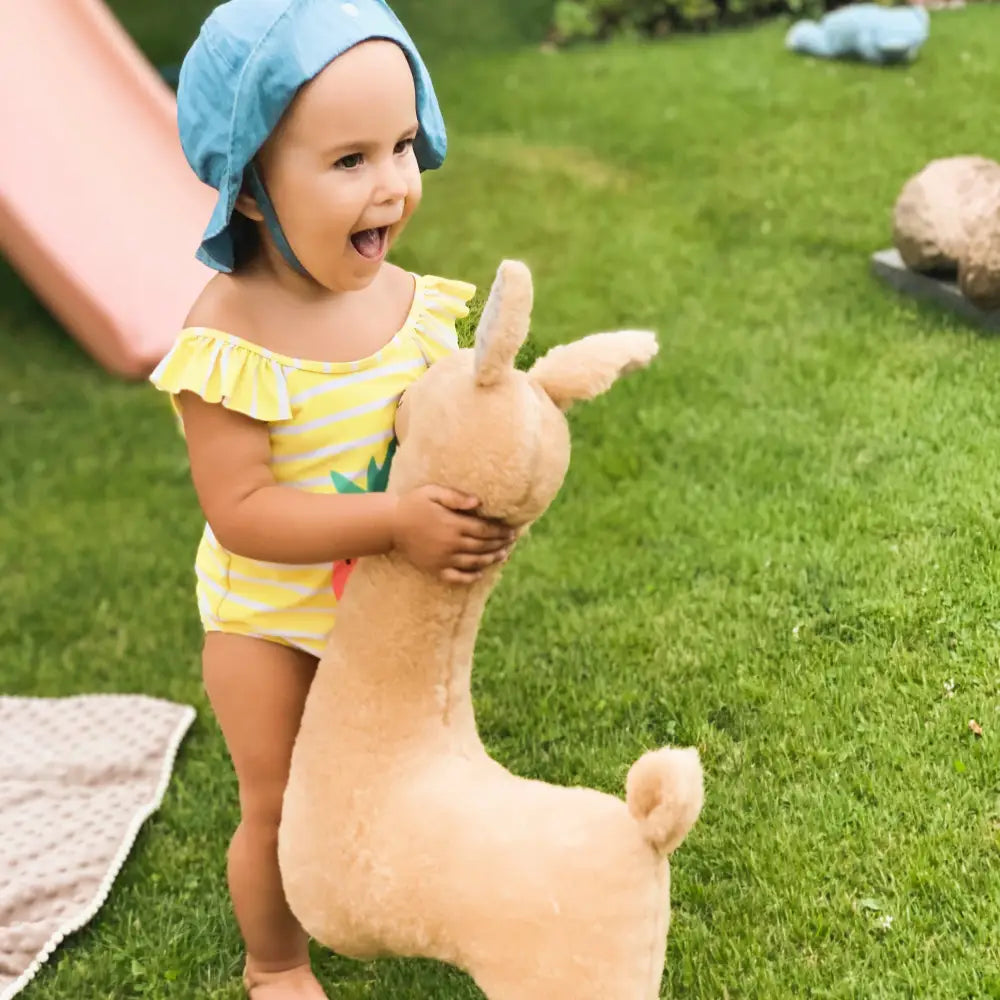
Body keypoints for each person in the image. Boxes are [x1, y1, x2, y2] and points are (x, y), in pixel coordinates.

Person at [150, 2, 515, 995]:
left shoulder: (409, 305)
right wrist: (396, 520)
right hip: (269, 621)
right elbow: (245, 512)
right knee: (282, 796)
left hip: (381, 614)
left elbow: (439, 429)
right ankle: (274, 963)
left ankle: (406, 887)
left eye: (402, 144)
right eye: (349, 160)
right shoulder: (228, 338)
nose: (393, 182)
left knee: (399, 771)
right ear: (255, 188)